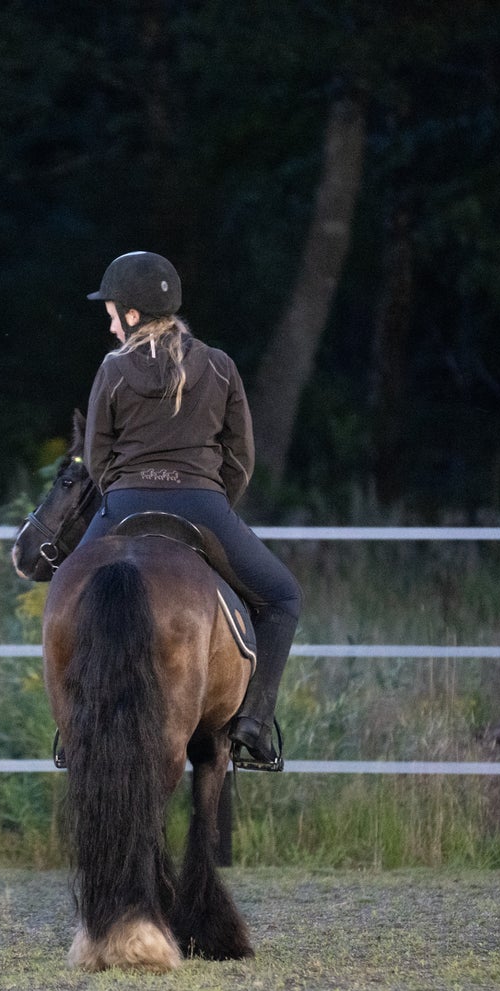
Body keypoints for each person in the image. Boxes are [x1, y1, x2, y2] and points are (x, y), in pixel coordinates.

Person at [78, 250, 302, 767]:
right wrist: (214, 500)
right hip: (202, 507)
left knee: (67, 595)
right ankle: (253, 724)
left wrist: (124, 493)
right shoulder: (220, 366)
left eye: (112, 312)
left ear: (133, 314)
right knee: (283, 598)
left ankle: (76, 724)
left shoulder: (112, 371)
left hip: (124, 503)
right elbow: (241, 455)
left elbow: (96, 458)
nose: (110, 323)